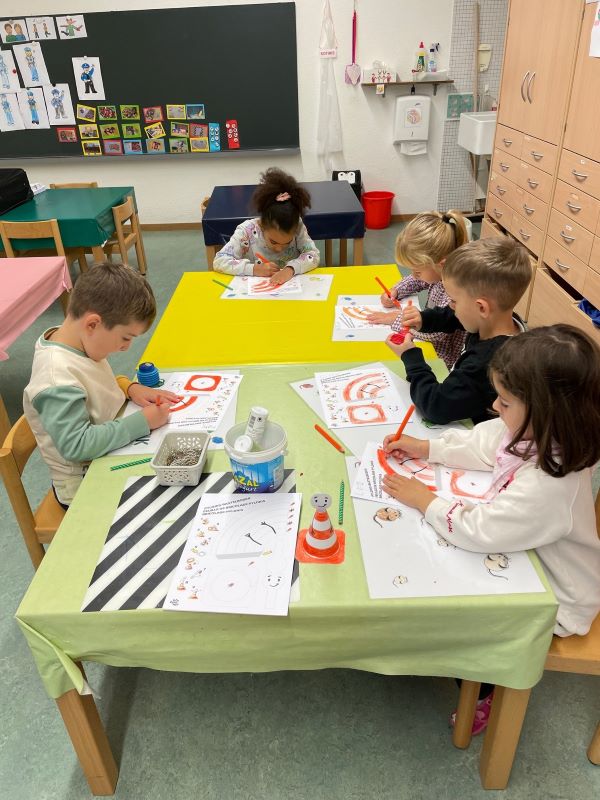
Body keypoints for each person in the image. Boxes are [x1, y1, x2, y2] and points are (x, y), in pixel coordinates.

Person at [381, 324, 600, 732]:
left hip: (557, 598)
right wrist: (428, 448)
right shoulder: (534, 430)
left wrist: (424, 499)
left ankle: (486, 688)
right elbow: (485, 444)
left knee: (466, 616)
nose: (494, 406)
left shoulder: (550, 484)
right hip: (524, 553)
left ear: (548, 412)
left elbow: (479, 530)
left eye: (505, 401)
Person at [23, 263, 181, 508]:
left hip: (107, 456)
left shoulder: (76, 341)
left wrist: (128, 387)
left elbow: (92, 382)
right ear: (93, 324)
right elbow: (77, 445)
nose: (126, 347)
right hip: (83, 487)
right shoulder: (55, 379)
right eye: (126, 337)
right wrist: (143, 422)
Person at [386, 237, 531, 426]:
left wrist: (412, 359)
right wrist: (423, 319)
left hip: (474, 432)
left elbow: (436, 406)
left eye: (454, 300)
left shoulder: (487, 363)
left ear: (481, 308)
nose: (451, 306)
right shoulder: (497, 320)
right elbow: (451, 317)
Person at [367, 211, 469, 370]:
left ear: (441, 264)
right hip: (426, 344)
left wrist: (397, 319)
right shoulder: (438, 273)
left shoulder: (455, 292)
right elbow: (417, 280)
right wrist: (396, 291)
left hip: (441, 360)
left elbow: (436, 333)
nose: (414, 275)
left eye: (418, 271)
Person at [213, 167, 319, 284]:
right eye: (273, 242)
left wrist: (291, 269)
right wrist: (253, 269)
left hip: (290, 289)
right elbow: (220, 261)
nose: (279, 249)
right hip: (255, 290)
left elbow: (313, 255)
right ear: (262, 225)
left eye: (287, 243)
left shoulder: (297, 226)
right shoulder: (246, 231)